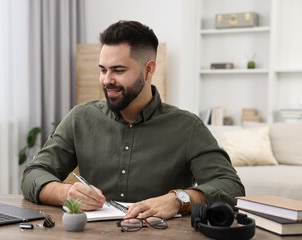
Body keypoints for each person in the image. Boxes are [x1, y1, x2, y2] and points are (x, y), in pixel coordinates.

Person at [21, 20, 245, 220]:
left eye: (118, 70)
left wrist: (179, 199)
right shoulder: (81, 118)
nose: (107, 80)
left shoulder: (187, 127)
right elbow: (34, 174)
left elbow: (231, 186)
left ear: (148, 70)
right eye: (103, 70)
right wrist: (64, 193)